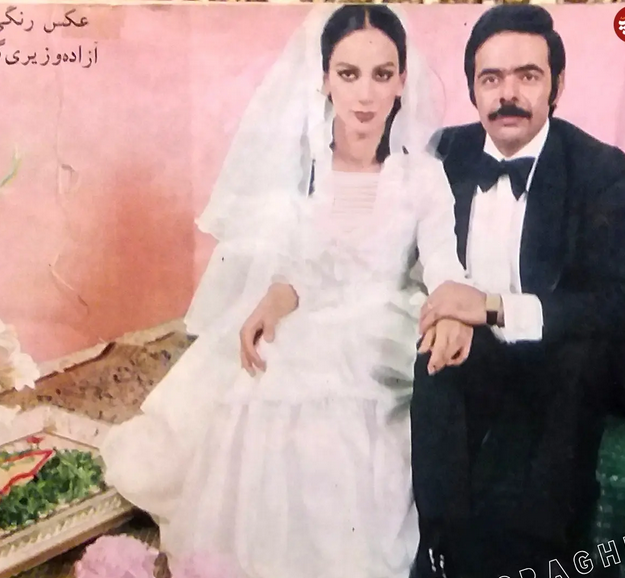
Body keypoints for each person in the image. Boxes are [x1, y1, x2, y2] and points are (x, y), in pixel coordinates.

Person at [101, 5, 472, 577]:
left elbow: (444, 264)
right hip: (316, 313)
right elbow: (297, 270)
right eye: (348, 74)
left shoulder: (419, 175)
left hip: (383, 323)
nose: (365, 94)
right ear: (323, 79)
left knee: (327, 375)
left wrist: (451, 310)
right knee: (269, 362)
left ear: (402, 81)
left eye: (381, 74)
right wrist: (274, 301)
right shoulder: (308, 171)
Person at [410, 5, 625, 578]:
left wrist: (490, 307)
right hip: (480, 354)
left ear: (557, 85)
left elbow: (611, 303)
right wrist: (448, 311)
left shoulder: (601, 169)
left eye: (528, 76)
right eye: (491, 78)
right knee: (434, 360)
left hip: (562, 354)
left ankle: (539, 560)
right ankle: (439, 553)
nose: (508, 94)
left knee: (578, 362)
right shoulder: (441, 154)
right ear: (472, 90)